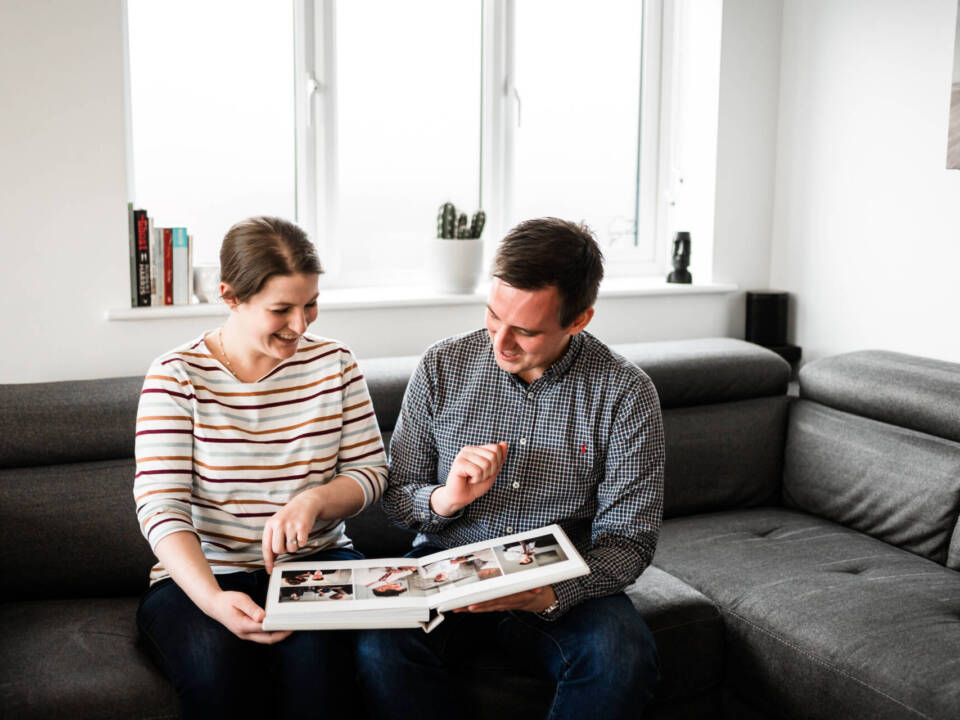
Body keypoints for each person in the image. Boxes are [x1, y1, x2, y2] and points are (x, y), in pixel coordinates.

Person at [356, 217, 664, 720]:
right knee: (377, 652)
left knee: (621, 658)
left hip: (562, 578)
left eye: (525, 331)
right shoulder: (441, 366)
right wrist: (447, 499)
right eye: (493, 317)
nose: (500, 343)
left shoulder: (626, 394)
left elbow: (628, 542)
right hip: (446, 566)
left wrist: (551, 592)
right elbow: (396, 497)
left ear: (579, 319)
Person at [133, 216, 387, 718]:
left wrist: (313, 501)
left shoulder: (335, 364)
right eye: (281, 309)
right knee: (216, 674)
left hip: (317, 566)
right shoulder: (176, 376)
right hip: (206, 575)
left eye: (310, 303)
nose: (301, 324)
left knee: (320, 682)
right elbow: (161, 506)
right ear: (230, 297)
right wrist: (212, 601)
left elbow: (371, 474)